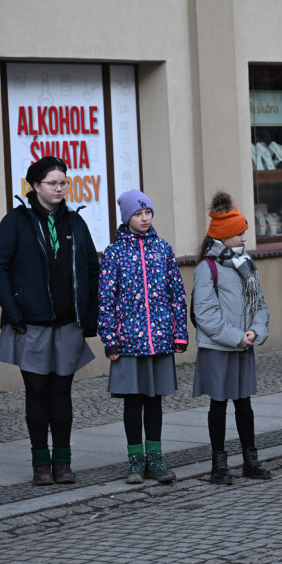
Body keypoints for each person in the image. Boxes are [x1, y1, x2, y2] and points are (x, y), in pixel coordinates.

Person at [0, 156, 99, 485]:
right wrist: (14, 310)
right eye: (53, 183)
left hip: (67, 323)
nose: (60, 188)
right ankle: (40, 464)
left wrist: (89, 316)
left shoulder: (75, 223)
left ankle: (62, 462)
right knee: (37, 393)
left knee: (61, 393)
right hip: (30, 324)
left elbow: (92, 269)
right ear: (35, 186)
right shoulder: (17, 221)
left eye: (64, 183)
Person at [98, 190, 188, 485]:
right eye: (138, 214)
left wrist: (179, 332)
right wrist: (110, 338)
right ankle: (135, 459)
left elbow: (176, 294)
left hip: (160, 339)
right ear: (127, 218)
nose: (145, 218)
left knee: (155, 401)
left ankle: (156, 458)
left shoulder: (163, 249)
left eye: (147, 212)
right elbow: (106, 299)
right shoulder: (114, 254)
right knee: (133, 401)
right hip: (129, 343)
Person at [191, 191, 271, 485]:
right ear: (223, 238)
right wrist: (237, 337)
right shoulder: (206, 268)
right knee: (218, 406)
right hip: (219, 349)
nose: (243, 238)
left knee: (244, 405)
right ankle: (218, 465)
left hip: (243, 346)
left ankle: (251, 461)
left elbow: (260, 305)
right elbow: (206, 315)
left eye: (243, 233)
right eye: (238, 234)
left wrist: (255, 332)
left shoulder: (246, 265)